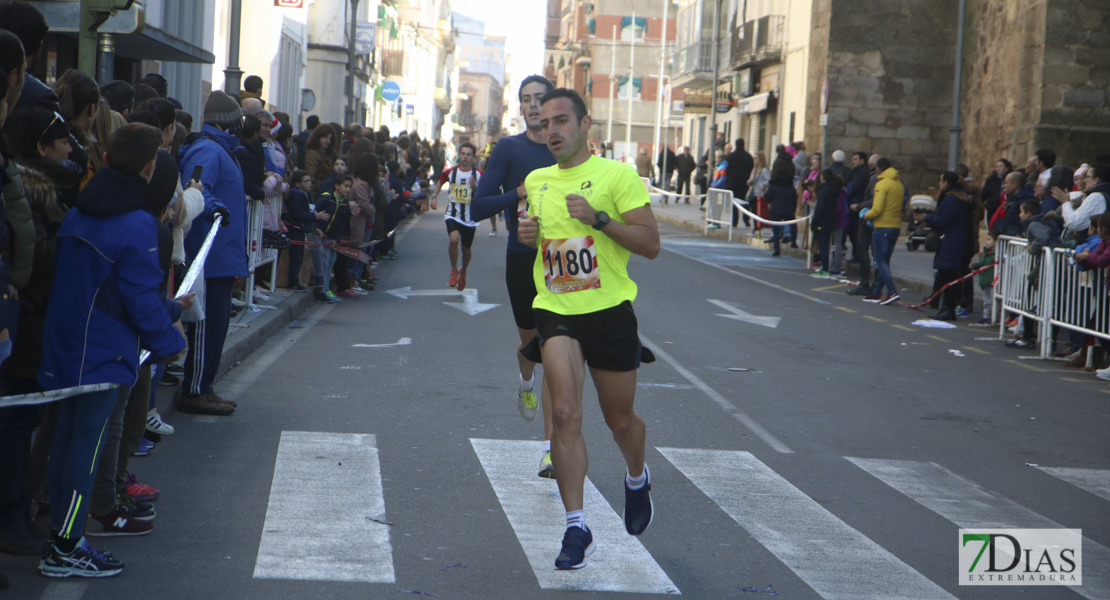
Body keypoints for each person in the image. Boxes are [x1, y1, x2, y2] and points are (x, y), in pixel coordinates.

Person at [37, 123, 191, 578]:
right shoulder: (137, 221)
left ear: (106, 160)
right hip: (103, 352)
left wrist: (163, 310)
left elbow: (106, 287)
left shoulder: (81, 209)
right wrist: (170, 340)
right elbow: (137, 299)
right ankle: (66, 546)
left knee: (65, 445)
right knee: (84, 451)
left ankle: (63, 540)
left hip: (66, 342)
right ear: (148, 168)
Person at [516, 88, 659, 571]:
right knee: (562, 410)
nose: (551, 131)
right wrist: (526, 237)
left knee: (620, 422)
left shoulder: (616, 176)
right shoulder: (536, 180)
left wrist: (599, 220)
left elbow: (650, 244)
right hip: (556, 309)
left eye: (560, 121)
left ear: (585, 124)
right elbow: (537, 239)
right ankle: (577, 526)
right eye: (544, 125)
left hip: (609, 311)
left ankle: (637, 477)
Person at [471, 74, 559, 478]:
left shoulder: (567, 149)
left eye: (541, 97)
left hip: (561, 264)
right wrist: (518, 193)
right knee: (532, 350)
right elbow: (477, 207)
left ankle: (551, 451)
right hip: (522, 260)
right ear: (520, 108)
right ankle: (525, 381)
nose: (534, 105)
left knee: (557, 355)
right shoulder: (509, 148)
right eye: (526, 99)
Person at [175, 91, 246, 416]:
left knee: (216, 326)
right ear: (231, 123)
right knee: (207, 326)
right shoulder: (209, 149)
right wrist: (217, 209)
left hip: (218, 253)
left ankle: (204, 386)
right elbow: (198, 187)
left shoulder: (217, 148)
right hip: (208, 254)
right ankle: (195, 391)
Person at [431, 141, 481, 291]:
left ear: (473, 157)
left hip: (469, 217)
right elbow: (441, 181)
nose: (465, 157)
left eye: (468, 155)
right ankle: (453, 271)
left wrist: (475, 187)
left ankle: (463, 271)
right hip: (452, 213)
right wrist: (434, 196)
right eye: (463, 154)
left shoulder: (478, 175)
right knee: (453, 239)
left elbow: (485, 193)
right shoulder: (451, 172)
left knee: (466, 249)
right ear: (459, 155)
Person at [923, 171, 972, 320]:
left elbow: (944, 220)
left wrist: (926, 217)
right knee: (946, 276)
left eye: (940, 180)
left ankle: (949, 308)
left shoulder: (951, 199)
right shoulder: (958, 198)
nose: (939, 183)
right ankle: (945, 306)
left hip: (951, 241)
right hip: (954, 241)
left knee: (948, 276)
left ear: (946, 182)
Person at [862, 157, 904, 305]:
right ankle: (877, 291)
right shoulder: (899, 184)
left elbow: (877, 209)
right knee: (885, 260)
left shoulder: (881, 184)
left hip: (882, 226)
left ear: (878, 169)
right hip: (895, 226)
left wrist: (866, 215)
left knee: (880, 261)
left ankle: (892, 291)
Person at [810, 168, 841, 277]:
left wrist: (814, 221)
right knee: (825, 244)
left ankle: (824, 268)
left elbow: (820, 208)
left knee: (823, 245)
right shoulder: (834, 189)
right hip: (830, 220)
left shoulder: (824, 190)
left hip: (822, 222)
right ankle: (825, 266)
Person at [765, 169, 798, 257]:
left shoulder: (774, 187)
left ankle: (777, 248)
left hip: (776, 210)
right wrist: (793, 209)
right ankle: (793, 241)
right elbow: (795, 200)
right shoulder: (791, 188)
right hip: (788, 209)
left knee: (776, 230)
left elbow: (766, 197)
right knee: (793, 225)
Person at [725, 138, 754, 227]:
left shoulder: (730, 156)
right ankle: (746, 219)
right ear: (744, 144)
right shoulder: (748, 156)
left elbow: (725, 168)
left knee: (734, 203)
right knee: (744, 202)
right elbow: (751, 167)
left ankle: (734, 221)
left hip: (732, 183)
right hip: (743, 183)